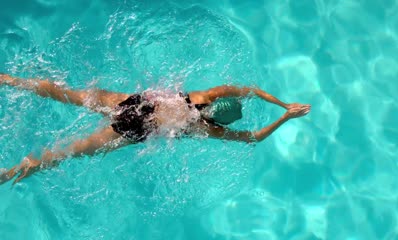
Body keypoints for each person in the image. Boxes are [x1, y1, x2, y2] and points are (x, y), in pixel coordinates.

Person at [0, 73, 310, 185]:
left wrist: (283, 105)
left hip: (135, 104)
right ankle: (15, 169)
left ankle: (10, 80)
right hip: (137, 132)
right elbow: (252, 138)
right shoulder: (207, 129)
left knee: (70, 94)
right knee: (69, 152)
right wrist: (284, 118)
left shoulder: (207, 95)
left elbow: (252, 90)